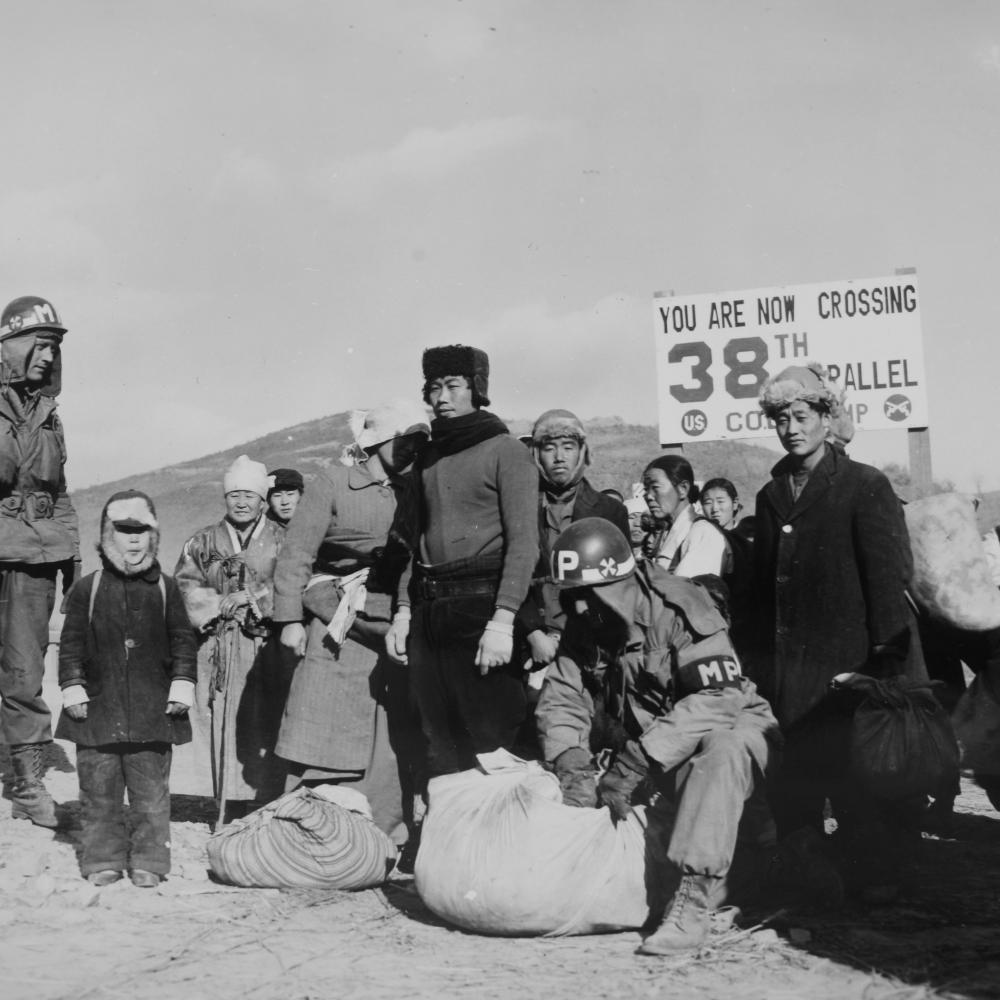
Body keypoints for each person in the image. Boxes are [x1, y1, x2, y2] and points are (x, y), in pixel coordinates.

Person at [536, 519, 777, 954]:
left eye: (587, 595)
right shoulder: (588, 622)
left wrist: (637, 760)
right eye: (570, 596)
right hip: (662, 755)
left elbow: (719, 697)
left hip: (730, 732)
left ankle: (694, 904)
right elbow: (563, 697)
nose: (577, 609)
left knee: (722, 749)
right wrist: (571, 762)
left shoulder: (682, 607)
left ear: (618, 585)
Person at [753, 362, 927, 898]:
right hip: (790, 669)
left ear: (827, 418)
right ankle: (807, 874)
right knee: (797, 778)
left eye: (802, 416)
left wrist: (885, 666)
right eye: (781, 419)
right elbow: (762, 590)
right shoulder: (769, 494)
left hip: (852, 665)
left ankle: (877, 878)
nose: (791, 429)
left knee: (861, 781)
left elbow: (888, 581)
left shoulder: (864, 485)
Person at [272, 400, 430, 842]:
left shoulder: (414, 489)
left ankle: (383, 834)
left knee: (387, 728)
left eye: (418, 441)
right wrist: (289, 619)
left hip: (390, 617)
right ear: (377, 441)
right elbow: (297, 552)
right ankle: (311, 830)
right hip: (335, 619)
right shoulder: (333, 482)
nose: (412, 448)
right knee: (323, 713)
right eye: (404, 440)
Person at [385, 345, 539, 778]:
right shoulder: (428, 456)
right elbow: (413, 540)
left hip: (481, 611)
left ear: (477, 390)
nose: (441, 398)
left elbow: (524, 544)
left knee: (491, 743)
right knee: (437, 743)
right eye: (434, 388)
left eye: (453, 386)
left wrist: (503, 622)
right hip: (429, 612)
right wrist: (403, 612)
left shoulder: (507, 451)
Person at [56, 491, 196, 887]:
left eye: (142, 531)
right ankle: (103, 858)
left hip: (153, 711)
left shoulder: (166, 588)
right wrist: (72, 686)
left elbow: (183, 641)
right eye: (123, 530)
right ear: (106, 535)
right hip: (97, 711)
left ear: (154, 536)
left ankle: (149, 861)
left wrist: (182, 683)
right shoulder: (88, 588)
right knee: (98, 789)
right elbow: (71, 644)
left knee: (151, 792)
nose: (133, 539)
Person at [0, 295, 80, 828]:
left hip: (34, 558)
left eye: (54, 347)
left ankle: (27, 784)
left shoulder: (49, 415)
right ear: (12, 345)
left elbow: (60, 491)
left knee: (24, 671)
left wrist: (73, 557)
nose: (49, 356)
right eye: (40, 344)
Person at [174, 454, 287, 824]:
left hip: (267, 645)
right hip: (217, 643)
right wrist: (218, 604)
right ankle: (227, 805)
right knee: (221, 720)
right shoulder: (202, 541)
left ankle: (267, 805)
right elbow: (184, 584)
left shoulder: (283, 538)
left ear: (261, 500)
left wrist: (254, 597)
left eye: (249, 495)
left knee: (266, 720)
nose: (241, 502)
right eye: (234, 495)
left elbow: (295, 580)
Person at [520, 408, 630, 669]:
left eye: (568, 447)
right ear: (536, 454)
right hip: (534, 645)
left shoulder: (610, 511)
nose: (559, 457)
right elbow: (510, 576)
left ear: (582, 452)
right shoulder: (520, 509)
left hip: (592, 647)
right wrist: (533, 633)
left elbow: (623, 588)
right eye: (549, 448)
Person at [641, 455, 727, 577]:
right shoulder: (665, 532)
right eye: (646, 489)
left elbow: (690, 587)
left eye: (655, 487)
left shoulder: (703, 533)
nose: (648, 496)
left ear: (683, 489)